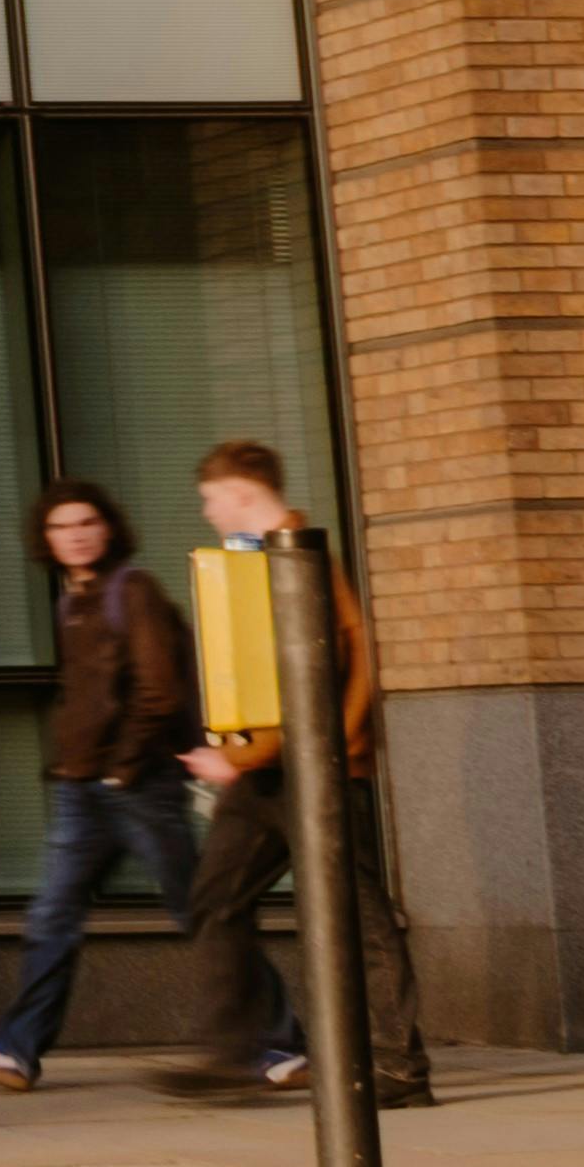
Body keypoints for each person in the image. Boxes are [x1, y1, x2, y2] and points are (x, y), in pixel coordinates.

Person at [173, 441, 427, 1106]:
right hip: (265, 775)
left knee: (360, 917)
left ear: (243, 493)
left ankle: (399, 1067)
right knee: (216, 899)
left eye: (212, 497)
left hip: (312, 772)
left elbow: (332, 670)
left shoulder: (301, 556)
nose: (207, 510)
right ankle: (236, 1052)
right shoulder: (252, 561)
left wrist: (253, 755)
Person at [0, 484, 196, 1094]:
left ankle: (277, 1043)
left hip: (139, 785)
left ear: (109, 528)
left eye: (87, 522)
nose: (76, 534)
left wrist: (123, 766)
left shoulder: (133, 591)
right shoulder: (73, 601)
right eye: (62, 526)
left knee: (200, 911)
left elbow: (160, 691)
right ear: (46, 540)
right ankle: (19, 1050)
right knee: (53, 915)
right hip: (83, 790)